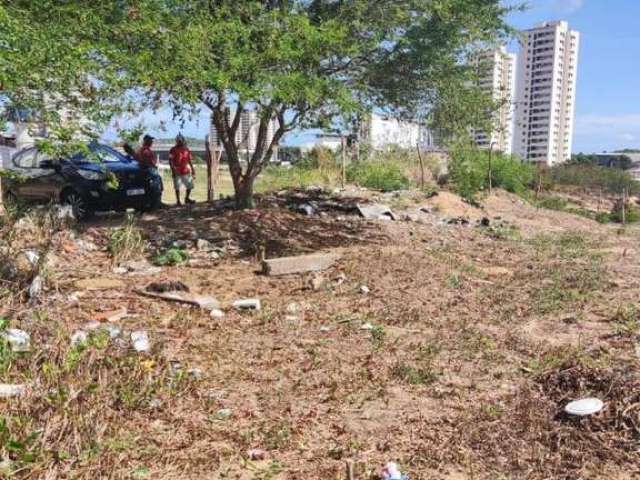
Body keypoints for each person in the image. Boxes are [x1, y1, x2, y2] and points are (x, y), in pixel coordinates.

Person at [169, 134, 196, 205]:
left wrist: (193, 170)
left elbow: (189, 160)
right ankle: (178, 201)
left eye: (181, 140)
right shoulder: (173, 149)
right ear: (176, 141)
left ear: (183, 141)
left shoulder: (186, 149)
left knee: (190, 186)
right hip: (177, 171)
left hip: (186, 171)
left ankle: (187, 198)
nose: (180, 142)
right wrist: (173, 170)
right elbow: (170, 161)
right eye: (178, 141)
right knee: (177, 187)